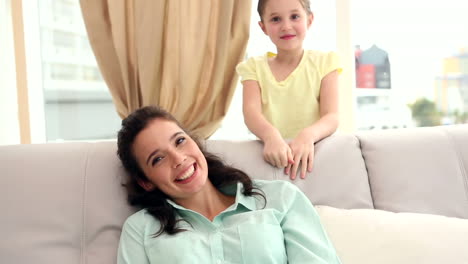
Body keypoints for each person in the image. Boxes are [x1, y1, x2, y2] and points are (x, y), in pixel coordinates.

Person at [116, 105, 341, 264]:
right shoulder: (140, 230)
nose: (179, 159)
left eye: (180, 141)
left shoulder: (281, 198)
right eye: (158, 159)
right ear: (146, 182)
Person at [236, 0, 341, 180]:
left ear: (309, 20)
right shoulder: (253, 67)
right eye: (276, 19)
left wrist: (307, 136)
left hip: (317, 160)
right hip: (272, 162)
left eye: (294, 17)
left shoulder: (326, 62)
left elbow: (332, 116)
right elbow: (251, 113)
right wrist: (270, 137)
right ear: (263, 27)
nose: (286, 26)